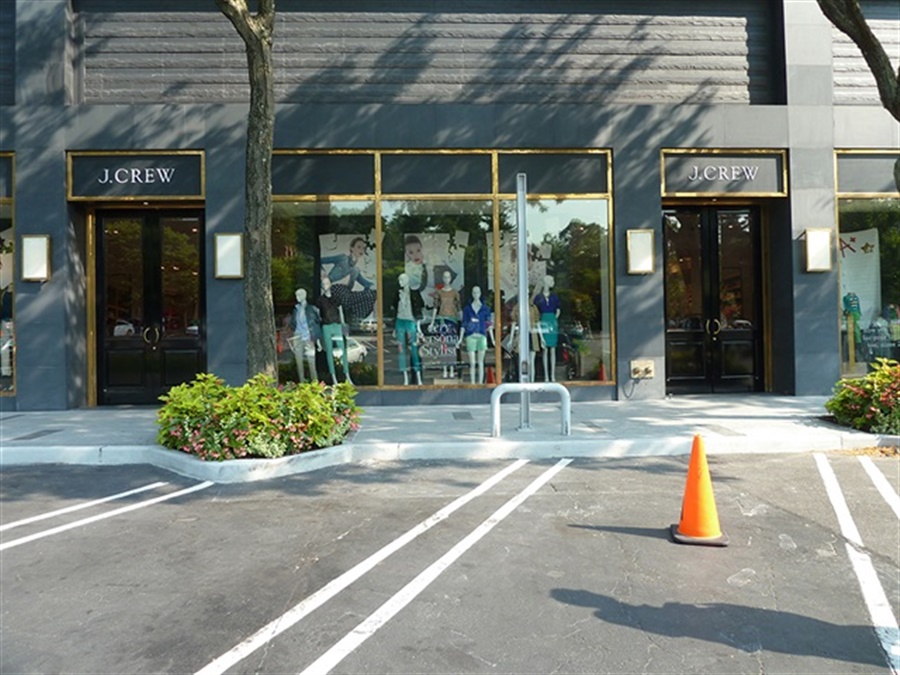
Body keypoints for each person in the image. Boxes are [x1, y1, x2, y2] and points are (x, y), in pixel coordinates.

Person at [320, 237, 376, 321]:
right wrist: (323, 273)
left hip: (346, 294)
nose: (361, 250)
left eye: (364, 248)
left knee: (372, 294)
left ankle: (353, 318)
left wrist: (374, 286)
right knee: (347, 297)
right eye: (359, 247)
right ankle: (350, 315)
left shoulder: (356, 270)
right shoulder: (342, 258)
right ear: (351, 248)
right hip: (335, 290)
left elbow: (366, 284)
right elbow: (320, 260)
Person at [317, 277, 353, 385]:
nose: (325, 285)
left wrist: (344, 328)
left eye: (327, 283)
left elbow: (341, 313)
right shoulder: (320, 300)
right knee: (329, 352)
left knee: (343, 350)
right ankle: (334, 378)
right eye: (323, 284)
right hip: (326, 326)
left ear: (330, 284)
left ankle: (347, 376)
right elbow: (319, 316)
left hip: (337, 325)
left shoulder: (336, 298)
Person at [393, 272, 424, 385]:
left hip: (411, 322)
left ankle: (418, 377)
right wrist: (394, 327)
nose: (400, 282)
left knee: (414, 350)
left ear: (407, 280)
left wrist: (418, 328)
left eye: (402, 280)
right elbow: (394, 309)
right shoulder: (398, 294)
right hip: (400, 322)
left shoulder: (415, 294)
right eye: (399, 280)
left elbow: (420, 310)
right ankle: (405, 377)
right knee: (401, 350)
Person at [430, 269, 461, 378]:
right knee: (443, 345)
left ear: (451, 279)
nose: (446, 279)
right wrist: (432, 322)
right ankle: (444, 369)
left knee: (451, 345)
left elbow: (458, 307)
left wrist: (462, 321)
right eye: (445, 277)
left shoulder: (455, 293)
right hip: (442, 320)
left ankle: (451, 369)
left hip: (452, 320)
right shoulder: (439, 293)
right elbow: (435, 307)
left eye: (448, 277)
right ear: (442, 279)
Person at [458, 285, 493, 384]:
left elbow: (489, 324)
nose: (476, 294)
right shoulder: (467, 309)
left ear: (480, 293)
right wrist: (460, 339)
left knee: (481, 362)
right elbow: (464, 324)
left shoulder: (485, 309)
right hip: (471, 336)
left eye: (477, 292)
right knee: (472, 362)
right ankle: (473, 383)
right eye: (474, 292)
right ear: (472, 294)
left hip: (482, 335)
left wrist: (493, 339)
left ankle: (480, 383)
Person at [288, 288, 322, 383]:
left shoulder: (312, 309)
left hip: (308, 337)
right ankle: (302, 382)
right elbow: (293, 324)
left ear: (304, 295)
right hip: (298, 337)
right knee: (299, 362)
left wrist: (317, 340)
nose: (297, 297)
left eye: (299, 295)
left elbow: (316, 324)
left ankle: (315, 382)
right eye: (296, 295)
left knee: (311, 361)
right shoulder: (296, 309)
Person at [533, 274, 561, 382]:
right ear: (546, 282)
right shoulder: (538, 298)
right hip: (543, 321)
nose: (552, 283)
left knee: (553, 348)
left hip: (552, 321)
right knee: (545, 349)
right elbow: (535, 311)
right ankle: (546, 376)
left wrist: (554, 319)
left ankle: (552, 375)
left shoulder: (554, 297)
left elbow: (558, 310)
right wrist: (540, 321)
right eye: (551, 281)